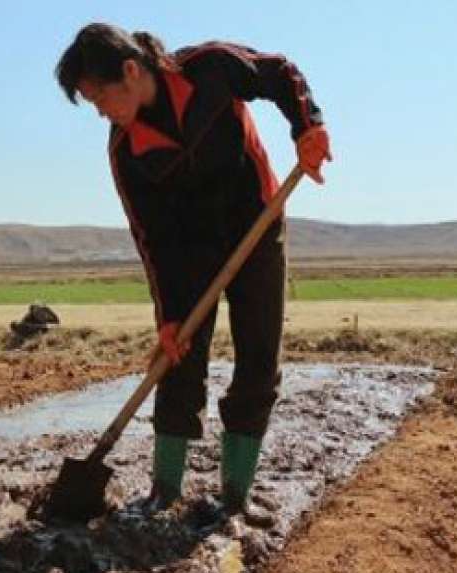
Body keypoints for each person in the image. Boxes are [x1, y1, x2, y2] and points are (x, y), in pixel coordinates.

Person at [55, 24, 331, 514]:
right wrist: (168, 316)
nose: (100, 113)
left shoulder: (211, 68)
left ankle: (234, 497)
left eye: (100, 98)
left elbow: (277, 72)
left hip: (256, 227)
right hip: (191, 254)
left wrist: (307, 126)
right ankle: (164, 491)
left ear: (130, 71)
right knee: (178, 359)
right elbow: (151, 238)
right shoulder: (126, 149)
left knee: (258, 360)